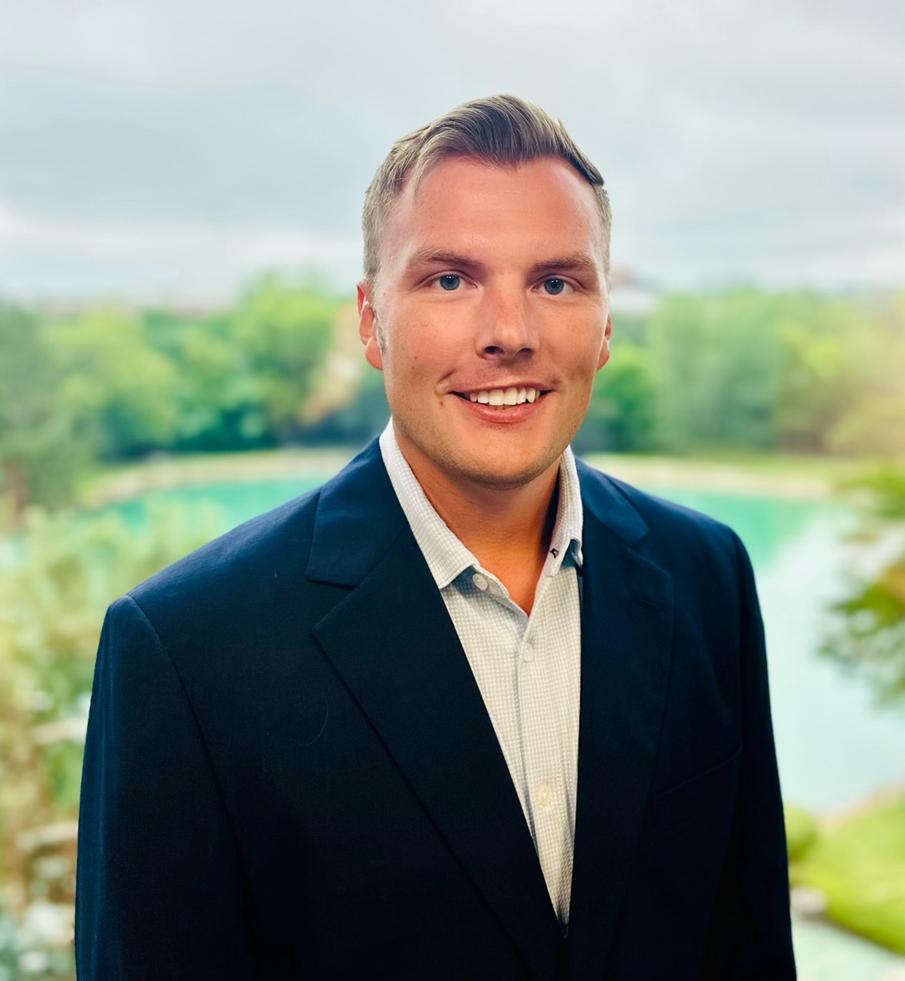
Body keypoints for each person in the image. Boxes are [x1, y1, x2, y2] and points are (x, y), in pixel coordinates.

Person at [74, 94, 796, 980]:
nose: (509, 334)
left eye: (556, 282)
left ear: (606, 322)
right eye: (450, 280)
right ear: (370, 321)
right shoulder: (185, 647)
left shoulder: (706, 575)